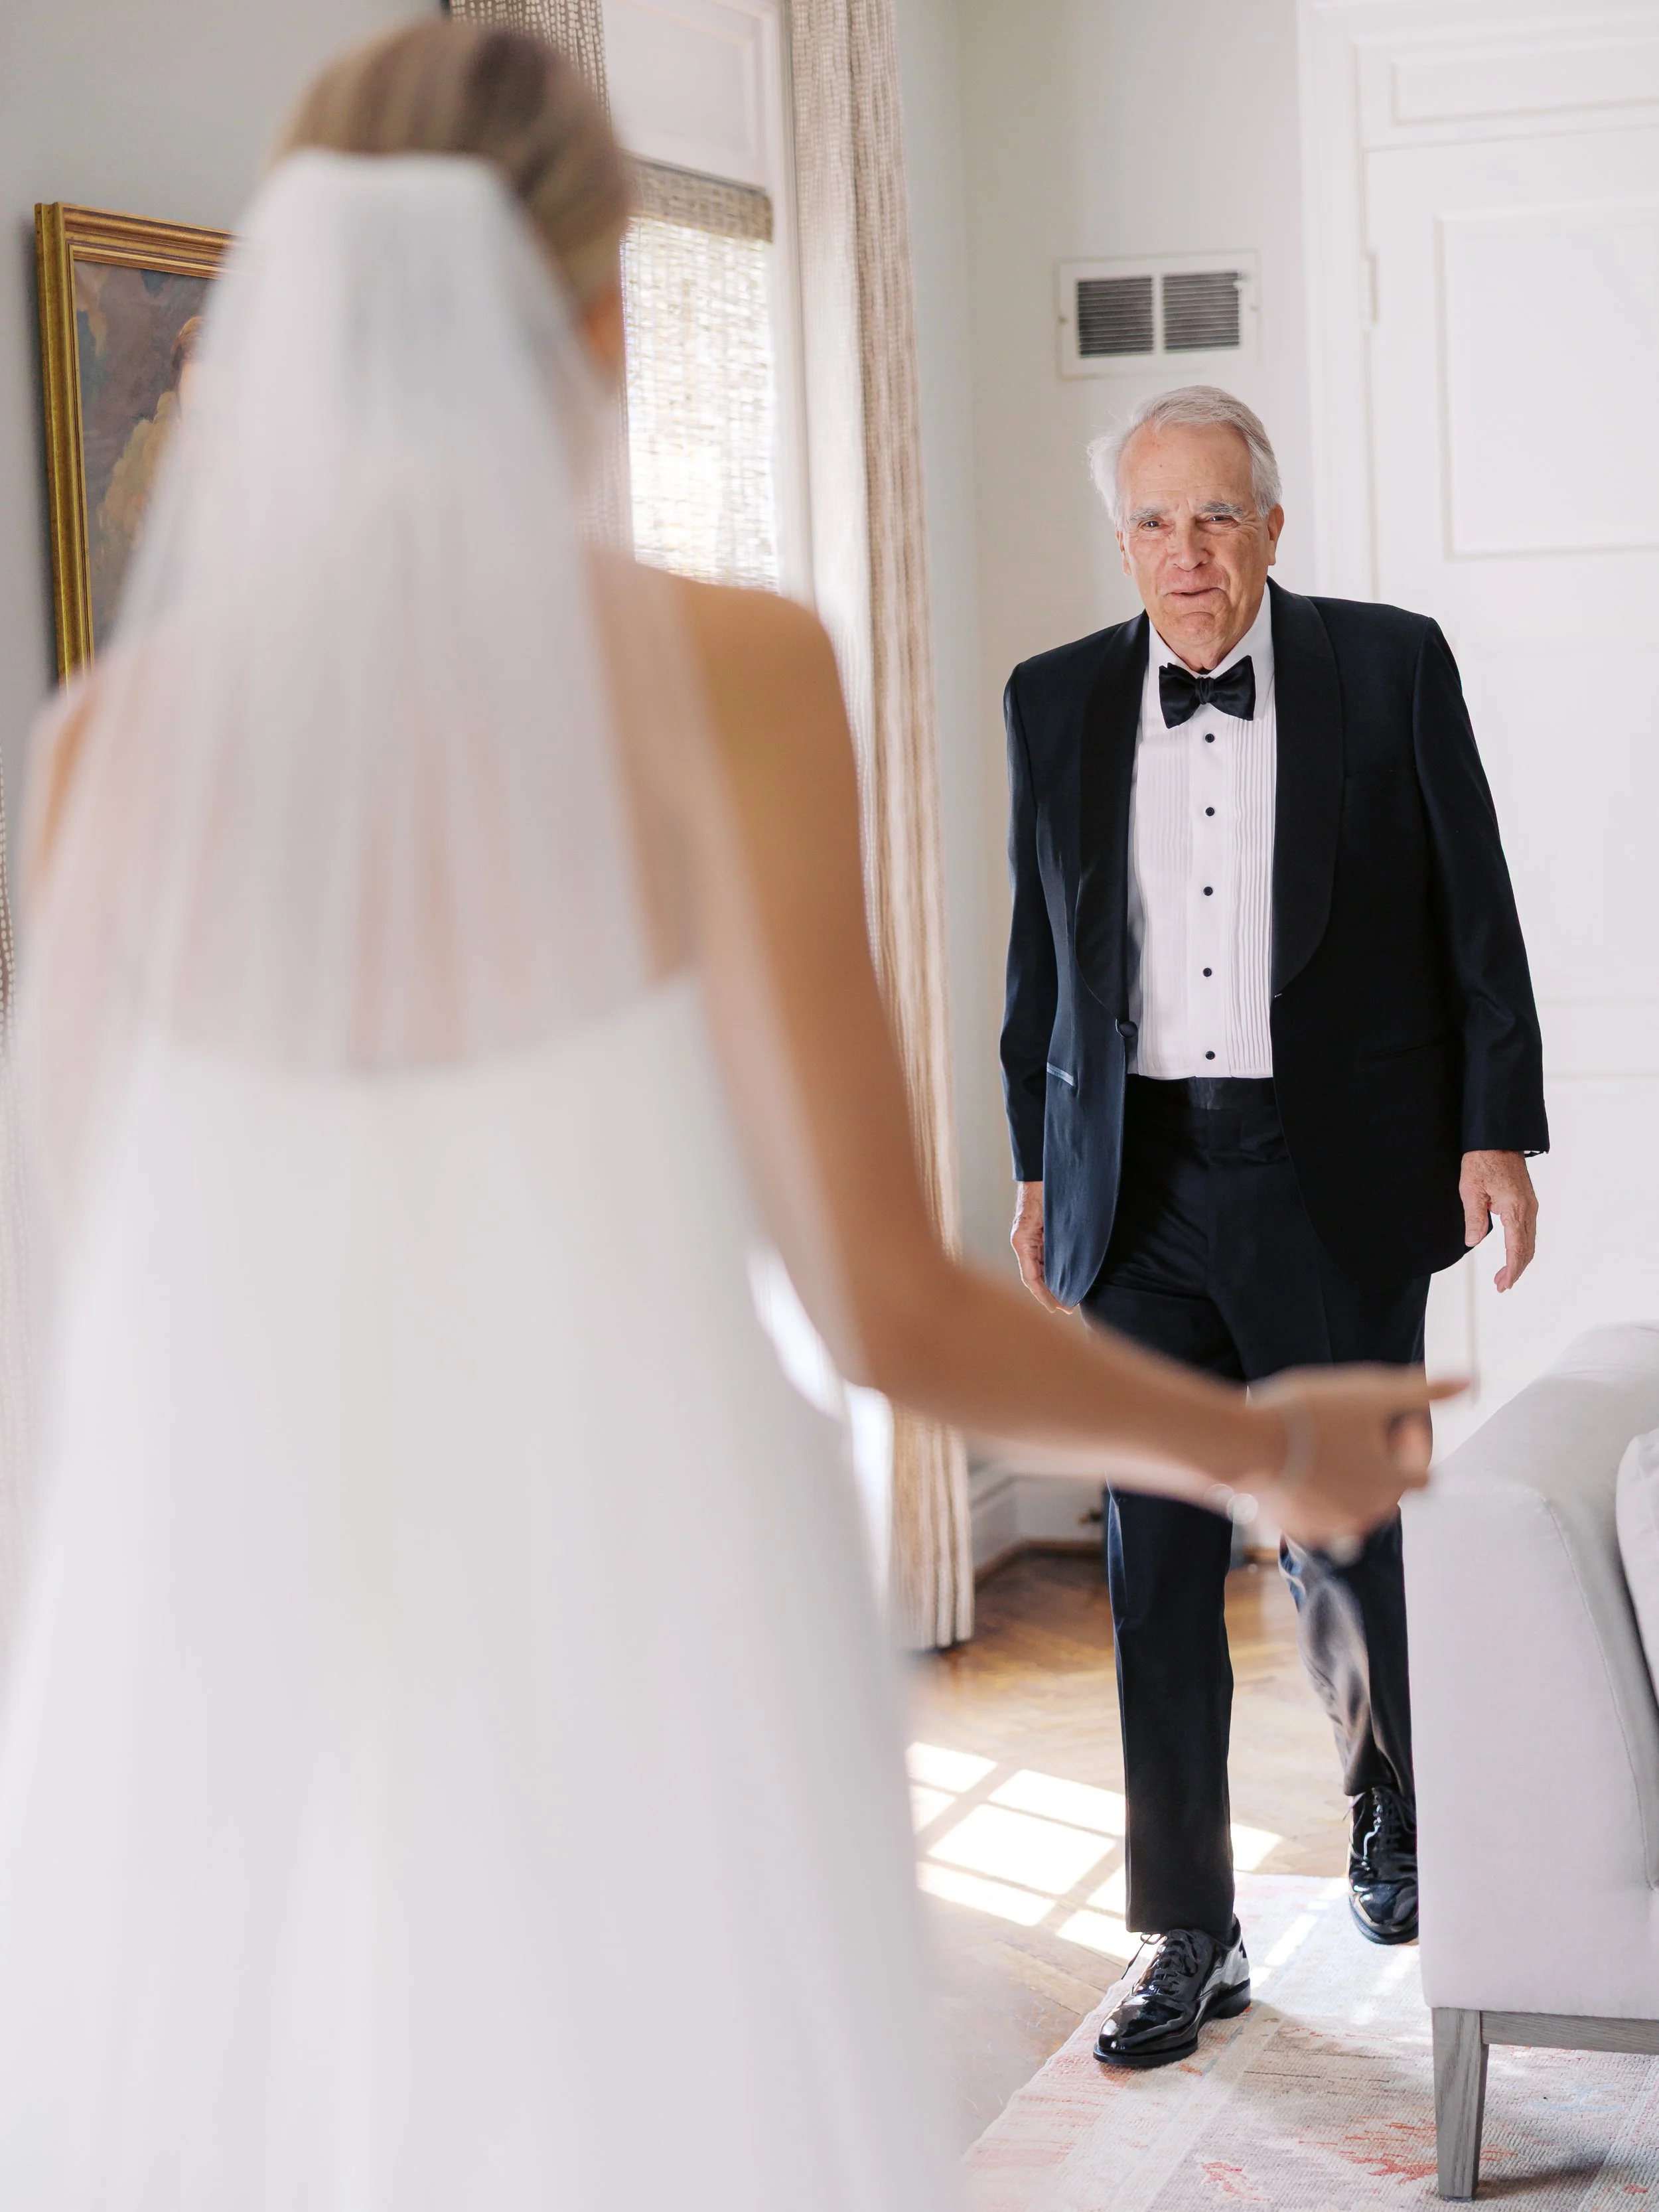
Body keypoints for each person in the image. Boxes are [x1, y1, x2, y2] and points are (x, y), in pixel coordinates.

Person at [0, 33, 1445, 2207]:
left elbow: (69, 1310)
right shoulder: (726, 678)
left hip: (244, 1651)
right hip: (631, 1615)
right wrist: (1264, 1447)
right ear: (597, 313)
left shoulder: (110, 750)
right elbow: (879, 1305)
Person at [1002, 384, 1546, 2068]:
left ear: (1271, 523)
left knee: (1346, 1532)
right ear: (1120, 541)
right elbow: (1045, 949)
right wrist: (1038, 1156)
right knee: (1150, 1563)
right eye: (1156, 522)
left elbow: (1476, 902)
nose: (1187, 552)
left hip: (1342, 1172)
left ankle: (1387, 1810)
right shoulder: (1056, 699)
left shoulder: (1387, 666)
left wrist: (1494, 1129)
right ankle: (1185, 1928)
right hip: (1139, 1180)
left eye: (1216, 516)